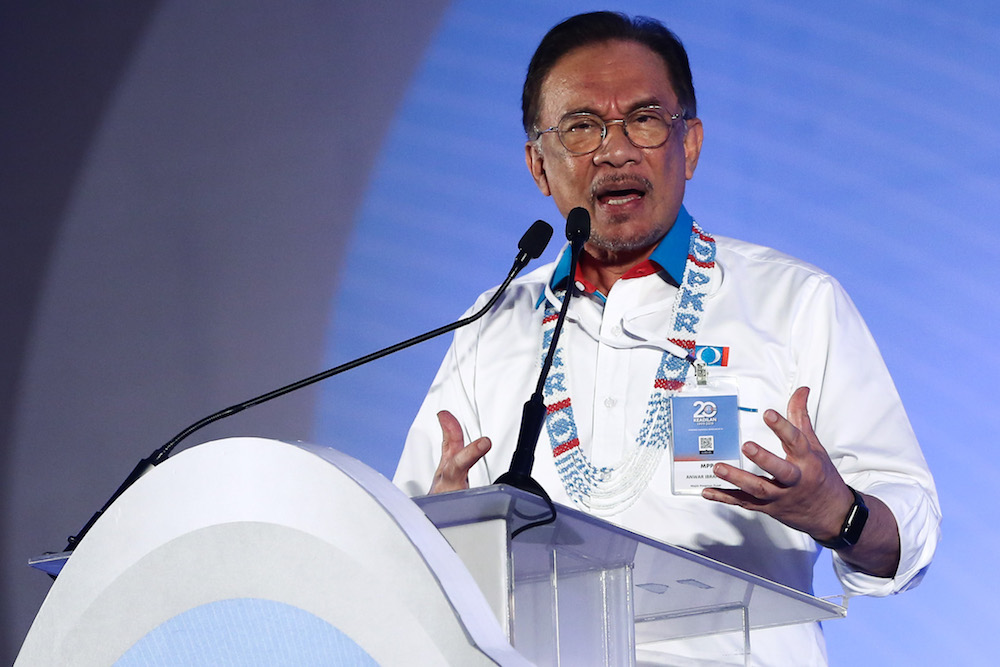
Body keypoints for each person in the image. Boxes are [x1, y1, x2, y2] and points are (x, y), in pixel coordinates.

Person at [394, 11, 940, 665]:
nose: (615, 149)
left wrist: (838, 511)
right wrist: (437, 532)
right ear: (539, 165)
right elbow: (406, 536)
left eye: (645, 119)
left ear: (691, 144)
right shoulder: (493, 322)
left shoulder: (794, 302)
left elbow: (910, 530)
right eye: (582, 126)